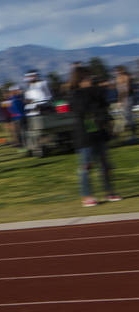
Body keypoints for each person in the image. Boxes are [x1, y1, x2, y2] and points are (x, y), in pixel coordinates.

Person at [68, 65, 120, 207]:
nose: (90, 79)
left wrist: (109, 125)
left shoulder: (96, 92)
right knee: (86, 167)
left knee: (105, 165)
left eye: (90, 77)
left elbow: (103, 107)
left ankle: (109, 192)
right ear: (80, 80)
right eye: (87, 77)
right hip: (84, 136)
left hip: (99, 133)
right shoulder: (75, 95)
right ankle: (87, 196)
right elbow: (83, 110)